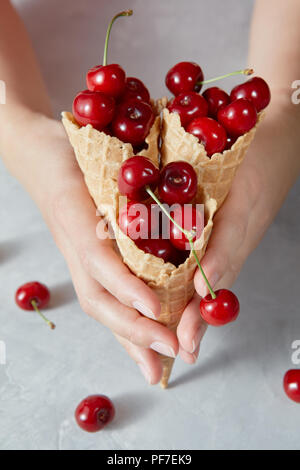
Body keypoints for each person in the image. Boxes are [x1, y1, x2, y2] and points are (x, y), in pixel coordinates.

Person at [0, 0, 299, 385]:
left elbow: (285, 96)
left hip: (225, 111)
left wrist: (286, 119)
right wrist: (17, 128)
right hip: (59, 100)